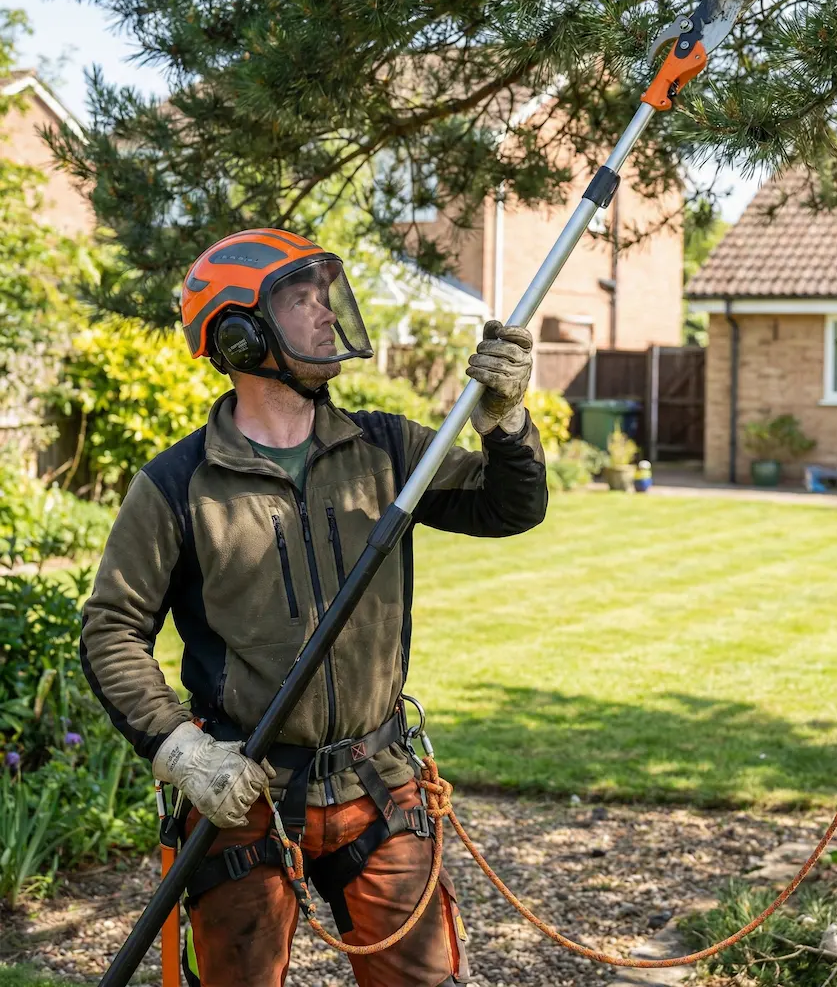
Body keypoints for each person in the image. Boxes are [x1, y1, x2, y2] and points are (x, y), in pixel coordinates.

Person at [81, 228, 547, 987]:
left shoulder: (390, 451)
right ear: (238, 334)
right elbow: (111, 630)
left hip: (379, 781)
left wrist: (502, 419)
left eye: (324, 294)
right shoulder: (176, 485)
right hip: (246, 794)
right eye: (300, 299)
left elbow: (506, 507)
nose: (326, 314)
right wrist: (182, 753)